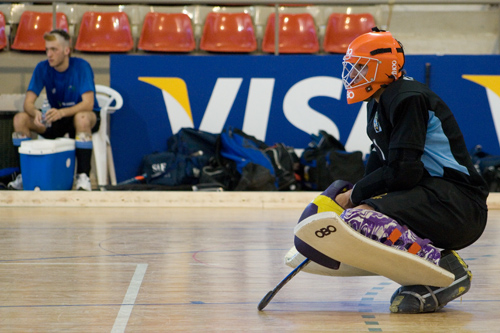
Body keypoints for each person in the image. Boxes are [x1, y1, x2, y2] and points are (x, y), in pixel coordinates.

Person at [293, 28, 488, 313]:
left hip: (457, 203)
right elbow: (381, 165)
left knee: (360, 219)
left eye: (361, 67)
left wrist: (354, 197)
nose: (353, 74)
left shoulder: (408, 98)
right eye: (352, 67)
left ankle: (446, 269)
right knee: (354, 215)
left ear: (385, 68)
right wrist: (354, 197)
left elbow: (403, 172)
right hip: (432, 195)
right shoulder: (379, 102)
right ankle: (432, 270)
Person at [8, 29, 100, 191]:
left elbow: (88, 104)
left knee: (82, 118)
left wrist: (62, 112)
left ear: (66, 50)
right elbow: (28, 103)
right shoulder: (42, 68)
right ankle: (25, 176)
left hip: (81, 116)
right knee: (20, 119)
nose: (49, 54)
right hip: (55, 118)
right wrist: (35, 113)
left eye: (54, 50)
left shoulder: (82, 66)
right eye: (47, 50)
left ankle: (83, 176)